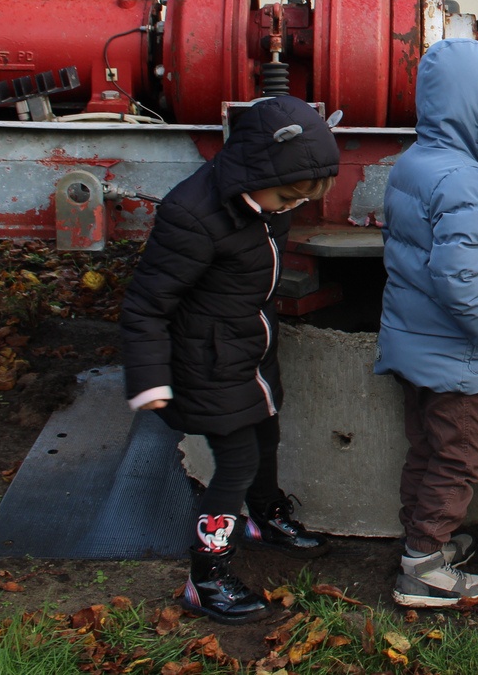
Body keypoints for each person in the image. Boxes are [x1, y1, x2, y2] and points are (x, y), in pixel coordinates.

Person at [120, 95, 341, 625]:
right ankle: (207, 576)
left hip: (250, 352)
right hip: (207, 363)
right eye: (286, 196)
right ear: (255, 170)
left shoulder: (265, 203)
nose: (289, 208)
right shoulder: (192, 215)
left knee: (266, 434)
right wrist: (149, 377)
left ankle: (265, 516)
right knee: (237, 462)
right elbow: (147, 303)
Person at [375, 38, 478, 609]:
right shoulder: (462, 178)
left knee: (426, 449)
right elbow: (459, 276)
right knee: (461, 456)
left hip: (414, 340)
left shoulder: (415, 160)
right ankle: (424, 566)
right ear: (477, 108)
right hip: (454, 352)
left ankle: (420, 543)